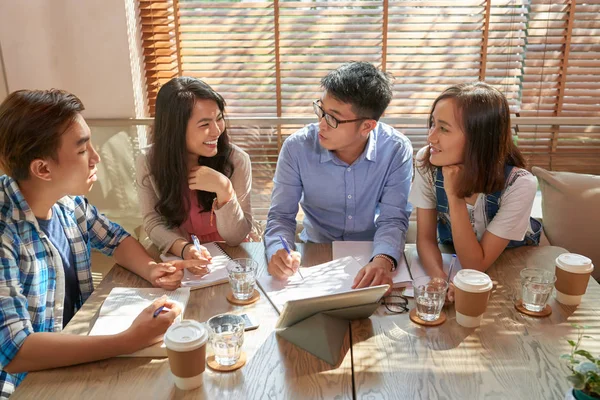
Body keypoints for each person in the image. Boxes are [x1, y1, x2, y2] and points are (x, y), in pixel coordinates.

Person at [0, 89, 208, 398]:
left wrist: (152, 269)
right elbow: (17, 351)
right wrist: (129, 340)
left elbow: (115, 239)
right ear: (43, 169)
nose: (96, 158)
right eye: (83, 150)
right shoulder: (6, 235)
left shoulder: (67, 204)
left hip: (79, 357)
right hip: (29, 387)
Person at [264, 62, 413, 289]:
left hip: (371, 254)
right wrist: (278, 250)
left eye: (332, 118)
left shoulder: (396, 149)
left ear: (367, 126)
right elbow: (281, 216)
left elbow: (392, 219)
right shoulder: (297, 147)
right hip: (315, 253)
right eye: (320, 110)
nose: (321, 124)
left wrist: (383, 260)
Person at [409, 82, 542, 299]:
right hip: (455, 259)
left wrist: (453, 194)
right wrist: (438, 278)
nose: (431, 137)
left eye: (443, 128)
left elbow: (475, 264)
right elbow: (425, 238)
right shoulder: (428, 162)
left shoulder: (519, 184)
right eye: (432, 124)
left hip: (511, 265)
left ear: (478, 139)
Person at [136, 77, 254, 263]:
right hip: (178, 253)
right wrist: (184, 249)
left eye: (219, 118)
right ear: (175, 129)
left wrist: (224, 189)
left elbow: (236, 237)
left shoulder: (237, 160)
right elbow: (153, 221)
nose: (217, 131)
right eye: (205, 124)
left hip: (233, 256)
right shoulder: (148, 161)